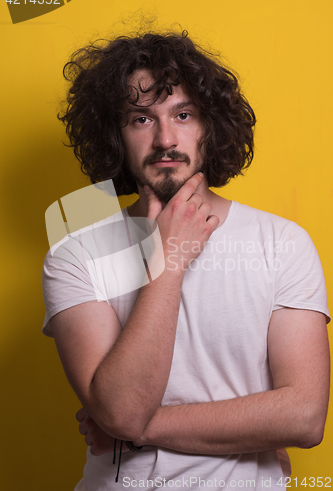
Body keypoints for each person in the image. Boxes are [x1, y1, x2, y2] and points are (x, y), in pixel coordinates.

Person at [42, 31, 330, 491]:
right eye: (140, 119)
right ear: (114, 134)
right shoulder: (75, 254)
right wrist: (171, 258)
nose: (165, 139)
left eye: (183, 114)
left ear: (210, 126)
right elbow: (119, 408)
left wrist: (136, 428)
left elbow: (304, 417)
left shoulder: (282, 242)